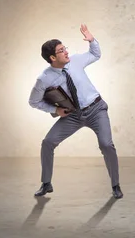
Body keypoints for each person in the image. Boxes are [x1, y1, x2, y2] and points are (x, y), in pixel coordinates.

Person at [28, 24, 123, 199]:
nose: (66, 52)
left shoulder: (76, 61)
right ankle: (46, 183)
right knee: (48, 142)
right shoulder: (44, 78)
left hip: (96, 109)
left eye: (65, 48)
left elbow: (95, 54)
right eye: (61, 50)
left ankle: (116, 185)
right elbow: (33, 101)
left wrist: (92, 40)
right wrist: (55, 109)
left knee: (106, 145)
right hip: (73, 115)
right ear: (52, 57)